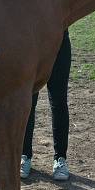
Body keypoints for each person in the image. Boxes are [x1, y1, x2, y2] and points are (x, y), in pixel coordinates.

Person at [20, 30, 71, 181]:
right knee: (28, 101)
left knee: (59, 102)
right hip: (32, 43)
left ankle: (60, 159)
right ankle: (24, 156)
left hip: (59, 43)